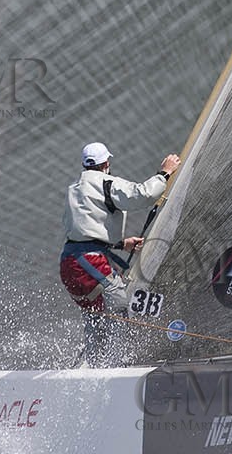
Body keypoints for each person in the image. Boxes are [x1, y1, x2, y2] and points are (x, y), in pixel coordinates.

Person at [61, 141, 180, 363]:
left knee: (96, 314)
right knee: (119, 304)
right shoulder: (106, 183)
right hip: (87, 262)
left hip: (69, 263)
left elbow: (81, 230)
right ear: (106, 163)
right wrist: (165, 172)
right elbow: (142, 195)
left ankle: (94, 363)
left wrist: (120, 244)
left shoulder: (74, 189)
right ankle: (118, 360)